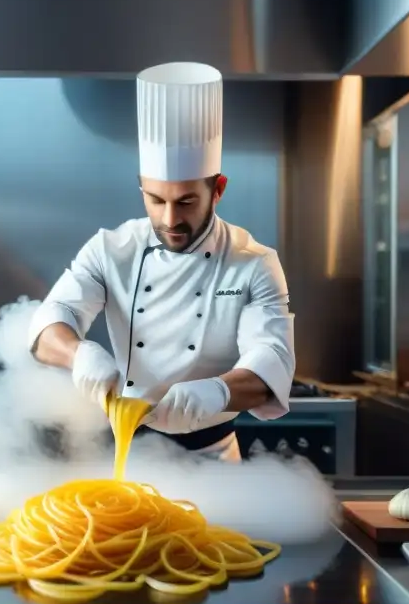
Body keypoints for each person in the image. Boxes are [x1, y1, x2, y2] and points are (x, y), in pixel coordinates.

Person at [27, 62, 295, 462]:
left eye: (187, 202)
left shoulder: (254, 263)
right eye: (156, 200)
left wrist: (218, 391)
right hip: (126, 453)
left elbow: (272, 359)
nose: (170, 220)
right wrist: (78, 354)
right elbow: (50, 321)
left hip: (213, 457)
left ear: (217, 190)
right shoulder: (109, 249)